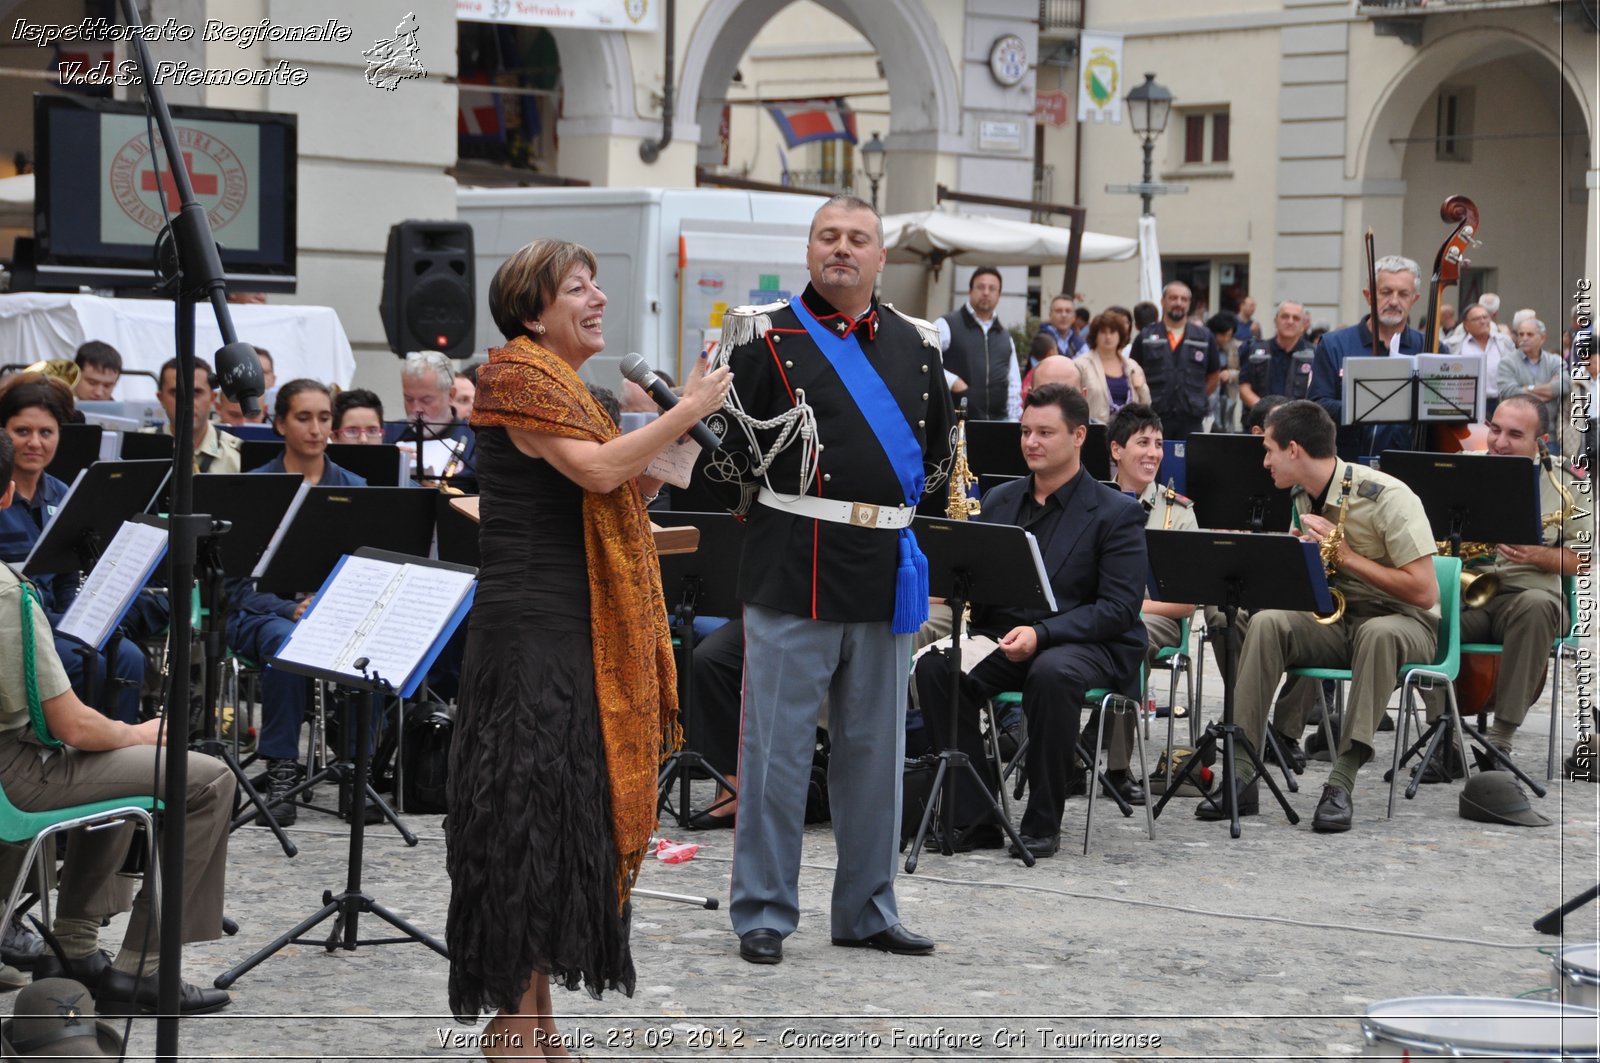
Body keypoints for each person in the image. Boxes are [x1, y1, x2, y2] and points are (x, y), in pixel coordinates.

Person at [444, 238, 730, 1056]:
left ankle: (539, 1024)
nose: (598, 298)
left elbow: (614, 485)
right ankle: (511, 1025)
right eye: (579, 287)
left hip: (573, 625)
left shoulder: (572, 387)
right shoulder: (515, 375)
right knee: (521, 816)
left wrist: (671, 448)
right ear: (534, 310)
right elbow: (600, 473)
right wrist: (683, 412)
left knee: (559, 819)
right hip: (531, 630)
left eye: (597, 284)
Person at [711, 194, 951, 965]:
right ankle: (764, 910)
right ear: (809, 249)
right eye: (828, 237)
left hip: (886, 570)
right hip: (794, 564)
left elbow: (939, 464)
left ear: (882, 258)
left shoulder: (918, 348)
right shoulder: (762, 334)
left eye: (858, 239)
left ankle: (868, 908)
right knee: (775, 753)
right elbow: (728, 461)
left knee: (875, 755)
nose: (841, 249)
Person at [0, 431, 234, 1014]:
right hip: (15, 773)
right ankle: (146, 971)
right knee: (204, 778)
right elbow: (72, 727)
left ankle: (74, 951)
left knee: (120, 767)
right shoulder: (6, 593)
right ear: (7, 495)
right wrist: (137, 732)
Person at [910, 384, 1147, 856]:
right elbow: (983, 581)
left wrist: (1043, 634)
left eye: (1045, 432)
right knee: (938, 669)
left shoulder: (1117, 512)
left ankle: (1043, 822)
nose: (1031, 442)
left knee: (1051, 672)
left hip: (1090, 643)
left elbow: (1118, 609)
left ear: (1079, 436)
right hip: (1006, 637)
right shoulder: (1000, 500)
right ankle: (974, 818)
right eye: (1025, 432)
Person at [1199, 400, 1437, 833]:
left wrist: (1344, 557)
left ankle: (1341, 782)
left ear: (1294, 449)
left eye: (1269, 449)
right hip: (1338, 619)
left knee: (1379, 635)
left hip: (1402, 621)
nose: (1264, 460)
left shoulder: (1388, 497)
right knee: (1269, 622)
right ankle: (1242, 773)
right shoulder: (1301, 497)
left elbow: (1424, 592)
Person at [224, 381, 368, 827]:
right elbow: (233, 587)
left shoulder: (354, 487)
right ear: (280, 423)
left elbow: (364, 572)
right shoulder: (255, 488)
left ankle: (357, 771)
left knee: (375, 643)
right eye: (304, 418)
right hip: (262, 615)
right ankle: (282, 769)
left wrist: (326, 606)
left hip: (330, 615)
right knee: (290, 641)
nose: (316, 428)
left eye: (324, 418)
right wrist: (290, 609)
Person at [1420, 394, 1585, 757]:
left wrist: (1537, 554)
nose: (1498, 442)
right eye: (1494, 430)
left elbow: (1582, 561)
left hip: (1528, 599)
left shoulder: (1568, 481)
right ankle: (1440, 737)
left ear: (1539, 442)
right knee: (1419, 618)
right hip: (1469, 598)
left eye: (1514, 434)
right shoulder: (1462, 468)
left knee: (1539, 605)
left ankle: (1500, 741)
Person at [0, 376, 151, 725]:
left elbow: (69, 576)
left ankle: (122, 762)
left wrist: (81, 621)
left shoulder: (62, 492)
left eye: (46, 432)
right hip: (14, 627)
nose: (34, 443)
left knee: (128, 656)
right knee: (94, 663)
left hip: (56, 623)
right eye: (22, 431)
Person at [1104, 403, 1193, 803]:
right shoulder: (1092, 502)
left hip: (1151, 618)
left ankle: (1118, 768)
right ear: (1116, 450)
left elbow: (1187, 603)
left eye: (1158, 444)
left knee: (1129, 636)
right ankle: (1060, 755)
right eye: (1143, 442)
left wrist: (1130, 608)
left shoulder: (1178, 512)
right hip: (1095, 612)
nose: (1154, 453)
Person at [1308, 255, 1425, 460]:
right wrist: (1366, 407)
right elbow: (1317, 405)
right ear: (1368, 295)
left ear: (1414, 299)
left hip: (1407, 462)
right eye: (1386, 292)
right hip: (1346, 461)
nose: (1394, 301)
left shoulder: (1429, 346)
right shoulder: (1333, 344)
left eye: (1403, 294)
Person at [1130, 282, 1221, 440]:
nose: (1179, 303)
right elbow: (1133, 371)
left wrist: (1195, 395)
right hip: (1153, 417)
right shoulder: (1145, 337)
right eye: (1173, 298)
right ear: (1163, 301)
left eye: (1184, 299)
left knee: (1190, 463)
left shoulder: (1204, 337)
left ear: (1189, 304)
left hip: (1191, 418)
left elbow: (1214, 376)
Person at [937, 266, 1020, 421]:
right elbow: (925, 360)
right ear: (970, 291)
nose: (986, 292)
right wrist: (953, 382)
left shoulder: (1005, 336)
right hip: (957, 421)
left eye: (992, 288)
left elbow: (1014, 385)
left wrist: (1014, 423)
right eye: (981, 287)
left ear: (999, 294)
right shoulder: (946, 324)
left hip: (998, 424)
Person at [389, 351, 475, 479]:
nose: (416, 409)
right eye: (409, 399)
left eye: (426, 400)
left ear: (451, 395)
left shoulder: (476, 440)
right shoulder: (389, 435)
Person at [154, 357, 243, 474]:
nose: (186, 402)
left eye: (196, 393)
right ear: (161, 399)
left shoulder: (237, 453)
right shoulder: (137, 447)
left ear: (212, 398)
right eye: (176, 393)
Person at [1498, 318, 1568, 442]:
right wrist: (1548, 389)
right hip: (1516, 435)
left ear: (1542, 338)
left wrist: (1526, 388)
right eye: (1521, 334)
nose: (1524, 338)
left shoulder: (1555, 361)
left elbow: (1565, 385)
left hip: (1550, 434)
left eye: (1529, 334)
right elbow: (1509, 392)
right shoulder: (1507, 362)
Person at [1075, 310, 1150, 423]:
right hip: (1095, 432)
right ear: (1095, 335)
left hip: (1128, 433)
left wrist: (1141, 387)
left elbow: (1147, 406)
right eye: (1103, 332)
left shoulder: (1132, 366)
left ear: (1120, 335)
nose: (1108, 336)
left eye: (1113, 332)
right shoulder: (1081, 365)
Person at [1240, 301, 1312, 412]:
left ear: (1303, 326)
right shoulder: (1254, 351)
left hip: (1300, 423)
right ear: (1275, 321)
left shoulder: (1314, 356)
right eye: (1285, 316)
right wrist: (1268, 411)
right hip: (1260, 422)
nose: (1290, 321)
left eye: (1296, 318)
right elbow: (1244, 388)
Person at [1458, 303, 1513, 418]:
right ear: (1466, 325)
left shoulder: (1504, 342)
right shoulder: (1456, 345)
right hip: (1468, 404)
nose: (1483, 321)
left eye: (1485, 317)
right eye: (1476, 319)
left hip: (1499, 402)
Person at [1208, 310, 1242, 432]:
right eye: (1223, 335)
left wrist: (1231, 374)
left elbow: (1243, 372)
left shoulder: (1235, 347)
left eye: (1229, 335)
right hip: (1210, 397)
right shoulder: (1206, 345)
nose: (1226, 339)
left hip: (1227, 395)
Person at [1035, 293, 1085, 363]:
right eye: (1058, 311)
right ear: (1050, 315)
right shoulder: (1040, 341)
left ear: (1074, 317)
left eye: (1068, 311)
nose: (1063, 315)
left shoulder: (1081, 344)